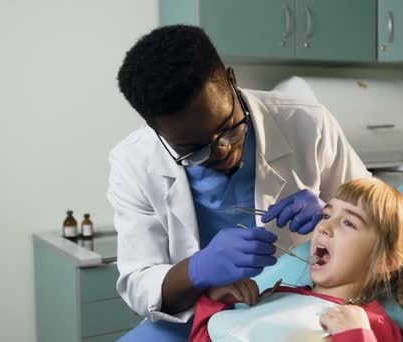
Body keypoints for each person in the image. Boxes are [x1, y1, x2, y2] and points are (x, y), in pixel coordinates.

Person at [108, 24, 370, 340]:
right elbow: (139, 284)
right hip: (192, 317)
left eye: (229, 128)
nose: (223, 151)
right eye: (194, 151)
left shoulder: (307, 123)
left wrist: (335, 212)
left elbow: (384, 216)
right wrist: (197, 270)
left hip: (296, 304)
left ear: (232, 80)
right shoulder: (133, 162)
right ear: (155, 130)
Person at [189, 177, 403, 341]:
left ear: (387, 261)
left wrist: (354, 335)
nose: (324, 226)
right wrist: (214, 301)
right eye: (327, 214)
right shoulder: (274, 297)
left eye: (348, 222)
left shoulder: (364, 324)